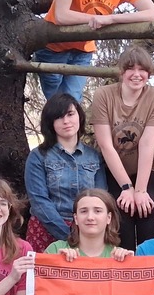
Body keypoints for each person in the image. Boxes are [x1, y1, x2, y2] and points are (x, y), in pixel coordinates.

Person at [90, 46, 154, 249]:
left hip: (144, 170)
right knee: (122, 211)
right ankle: (123, 263)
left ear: (149, 73)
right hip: (113, 170)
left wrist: (140, 190)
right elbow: (106, 145)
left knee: (145, 209)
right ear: (122, 72)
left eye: (142, 70)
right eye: (131, 69)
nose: (136, 74)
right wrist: (127, 187)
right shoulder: (104, 95)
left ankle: (149, 264)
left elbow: (147, 142)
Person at [24, 93, 106, 253]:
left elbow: (101, 197)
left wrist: (85, 232)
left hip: (87, 229)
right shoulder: (38, 156)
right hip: (46, 229)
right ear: (50, 123)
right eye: (59, 117)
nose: (66, 121)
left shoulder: (94, 156)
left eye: (70, 114)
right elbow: (39, 202)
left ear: (79, 116)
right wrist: (69, 235)